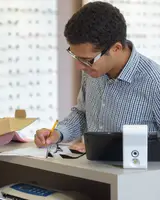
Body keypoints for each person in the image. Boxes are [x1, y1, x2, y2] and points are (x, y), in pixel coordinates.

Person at [35, 1, 160, 150]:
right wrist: (58, 133)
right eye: (76, 57)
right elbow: (83, 114)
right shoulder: (93, 71)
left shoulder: (154, 81)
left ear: (116, 48)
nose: (79, 66)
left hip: (137, 173)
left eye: (87, 60)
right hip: (91, 171)